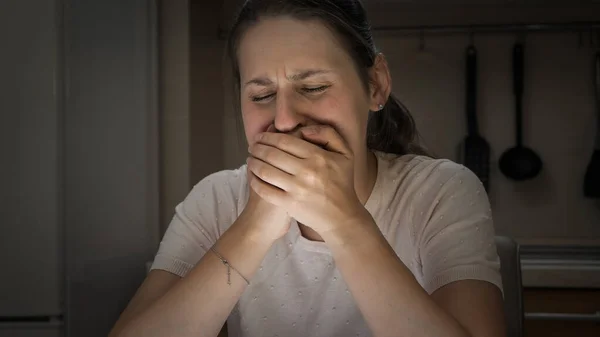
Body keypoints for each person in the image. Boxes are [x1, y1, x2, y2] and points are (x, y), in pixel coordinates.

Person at [109, 1, 507, 336]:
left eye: (313, 88)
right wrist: (255, 226)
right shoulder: (215, 200)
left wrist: (343, 221)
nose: (284, 120)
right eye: (262, 94)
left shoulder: (442, 191)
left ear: (376, 86)